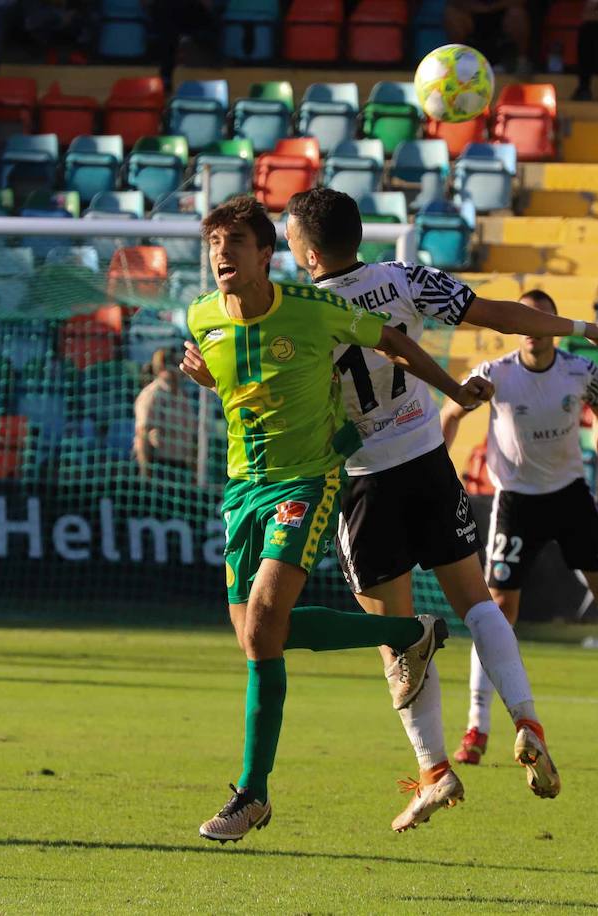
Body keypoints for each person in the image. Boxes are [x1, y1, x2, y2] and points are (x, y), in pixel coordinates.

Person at [283, 188, 598, 832]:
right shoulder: (403, 279)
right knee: (476, 601)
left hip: (363, 482)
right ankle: (526, 718)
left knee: (399, 638)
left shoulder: (300, 309)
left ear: (306, 253)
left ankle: (436, 770)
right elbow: (502, 315)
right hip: (426, 462)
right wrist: (587, 329)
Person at [179, 196, 492, 843]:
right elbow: (242, 382)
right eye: (214, 243)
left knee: (265, 623)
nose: (221, 255)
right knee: (256, 637)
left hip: (310, 481)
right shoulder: (201, 316)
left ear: (268, 254)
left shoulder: (315, 308)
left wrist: (457, 391)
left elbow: (396, 341)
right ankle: (413, 630)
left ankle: (251, 795)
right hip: (243, 488)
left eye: (235, 243)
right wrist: (211, 382)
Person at [439, 289, 598, 767]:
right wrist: (438, 478)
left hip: (570, 496)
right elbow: (450, 414)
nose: (531, 326)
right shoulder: (495, 374)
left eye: (540, 318)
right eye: (524, 317)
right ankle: (476, 725)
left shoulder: (579, 371)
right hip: (516, 502)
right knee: (496, 613)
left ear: (553, 323)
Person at [133, 346, 197, 479]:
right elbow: (142, 435)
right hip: (159, 467)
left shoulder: (182, 397)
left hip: (181, 468)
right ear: (162, 367)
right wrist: (145, 472)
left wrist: (194, 472)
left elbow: (191, 437)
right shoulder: (151, 395)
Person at [444, 0, 533, 75]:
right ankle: (459, 63)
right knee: (452, 13)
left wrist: (491, 8)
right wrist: (481, 9)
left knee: (517, 13)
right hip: (472, 14)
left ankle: (521, 62)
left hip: (502, 13)